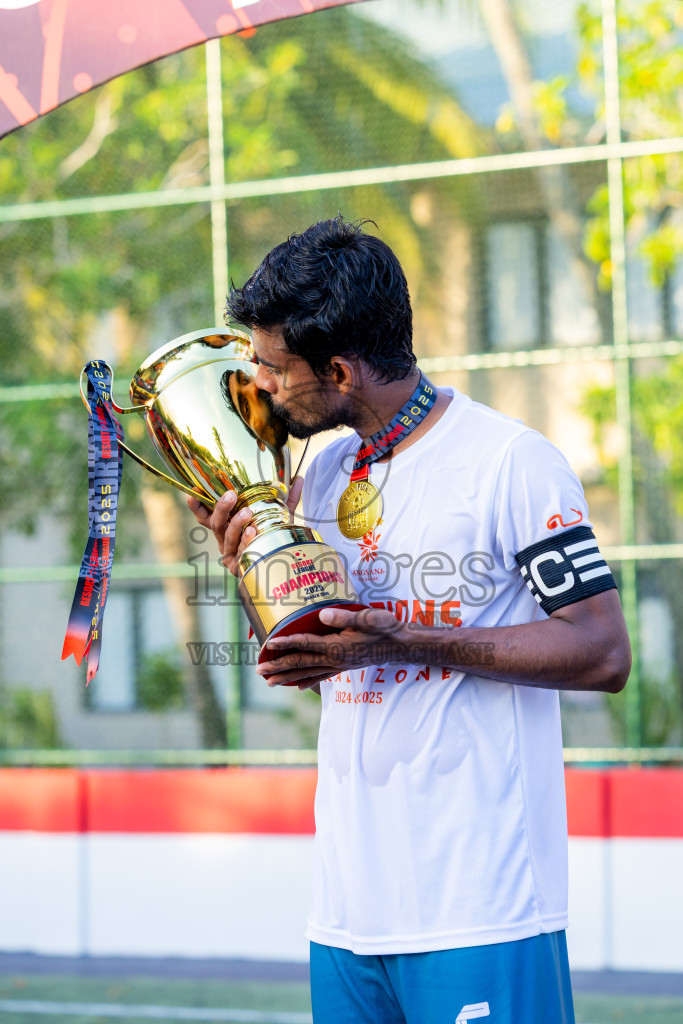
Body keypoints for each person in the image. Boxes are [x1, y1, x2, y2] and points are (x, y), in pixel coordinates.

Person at [188, 216, 631, 1024]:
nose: (258, 382)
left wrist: (405, 638)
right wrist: (249, 571)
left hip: (482, 904)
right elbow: (313, 664)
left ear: (341, 370)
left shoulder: (508, 461)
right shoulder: (317, 473)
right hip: (350, 912)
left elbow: (602, 653)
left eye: (273, 366)